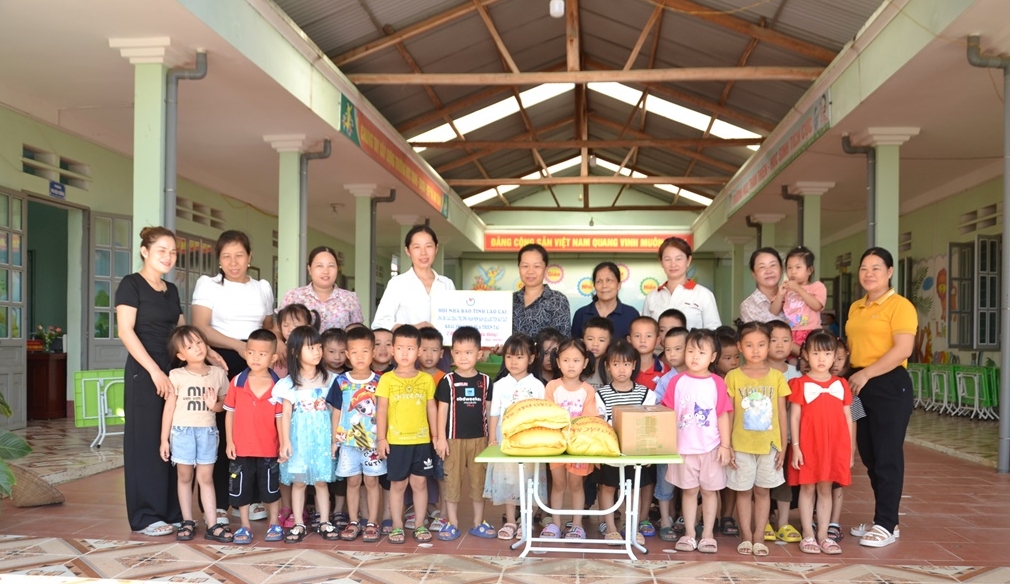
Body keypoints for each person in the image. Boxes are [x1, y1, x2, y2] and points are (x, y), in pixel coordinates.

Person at [116, 226, 222, 536]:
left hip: (175, 371)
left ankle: (175, 512)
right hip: (144, 370)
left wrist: (207, 350)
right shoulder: (131, 285)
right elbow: (126, 331)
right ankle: (146, 516)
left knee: (176, 440)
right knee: (146, 442)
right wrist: (154, 371)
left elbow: (182, 331)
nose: (168, 256)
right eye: (162, 250)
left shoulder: (171, 290)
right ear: (145, 251)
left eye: (173, 252)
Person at [845, 247, 916, 548]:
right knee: (870, 454)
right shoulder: (855, 307)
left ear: (889, 272)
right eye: (864, 268)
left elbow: (903, 350)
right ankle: (884, 520)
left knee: (887, 455)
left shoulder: (900, 306)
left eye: (876, 268)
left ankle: (886, 523)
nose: (869, 273)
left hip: (889, 386)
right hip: (860, 391)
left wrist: (866, 374)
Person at [661, 329, 732, 554]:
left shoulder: (717, 383)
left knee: (710, 492)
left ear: (712, 357)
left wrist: (725, 446)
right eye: (690, 350)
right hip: (683, 449)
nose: (694, 356)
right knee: (689, 492)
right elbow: (668, 413)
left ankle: (708, 534)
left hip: (711, 448)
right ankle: (690, 533)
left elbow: (723, 415)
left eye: (701, 352)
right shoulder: (677, 381)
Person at [159, 326, 232, 543]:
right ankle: (187, 520)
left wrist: (214, 405)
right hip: (181, 432)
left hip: (207, 433)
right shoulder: (176, 375)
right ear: (181, 355)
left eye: (199, 342)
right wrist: (164, 438)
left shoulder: (218, 373)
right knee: (184, 477)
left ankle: (212, 523)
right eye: (189, 347)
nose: (197, 348)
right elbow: (169, 408)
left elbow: (225, 404)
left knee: (206, 478)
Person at [724, 322, 790, 557]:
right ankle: (746, 536)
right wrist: (728, 445)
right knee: (743, 491)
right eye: (749, 345)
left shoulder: (777, 377)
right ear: (740, 347)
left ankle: (759, 536)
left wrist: (782, 445)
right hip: (740, 445)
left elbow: (782, 413)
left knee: (763, 492)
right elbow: (728, 412)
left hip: (769, 446)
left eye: (761, 344)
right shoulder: (732, 377)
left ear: (769, 345)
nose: (756, 350)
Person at [788, 331, 853, 555]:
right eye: (816, 353)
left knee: (826, 488)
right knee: (807, 488)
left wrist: (851, 450)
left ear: (835, 356)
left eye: (827, 353)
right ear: (805, 354)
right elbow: (794, 417)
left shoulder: (842, 384)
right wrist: (795, 447)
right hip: (808, 445)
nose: (822, 358)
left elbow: (848, 418)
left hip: (834, 445)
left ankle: (824, 535)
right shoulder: (799, 383)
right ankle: (808, 534)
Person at [275, 325, 339, 543]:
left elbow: (334, 412)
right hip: (298, 440)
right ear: (295, 352)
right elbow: (284, 415)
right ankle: (299, 523)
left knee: (322, 482)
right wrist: (285, 442)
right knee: (299, 482)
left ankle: (324, 521)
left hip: (322, 439)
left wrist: (333, 441)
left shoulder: (330, 380)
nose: (317, 352)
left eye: (319, 347)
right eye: (311, 348)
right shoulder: (288, 384)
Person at [375, 325, 438, 545]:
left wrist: (436, 437)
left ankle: (420, 524)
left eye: (410, 348)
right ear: (393, 349)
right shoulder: (386, 380)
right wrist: (381, 439)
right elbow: (381, 410)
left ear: (419, 351)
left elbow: (432, 409)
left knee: (420, 484)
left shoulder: (426, 380)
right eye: (400, 347)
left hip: (421, 442)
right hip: (396, 443)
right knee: (398, 485)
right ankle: (396, 526)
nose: (404, 353)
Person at [223, 329, 285, 545]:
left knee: (270, 489)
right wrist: (230, 441)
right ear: (245, 353)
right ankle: (245, 526)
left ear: (273, 358)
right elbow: (229, 414)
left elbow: (280, 418)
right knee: (241, 489)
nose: (256, 357)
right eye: (251, 352)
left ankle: (274, 522)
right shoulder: (237, 382)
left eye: (262, 353)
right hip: (241, 448)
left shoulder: (279, 386)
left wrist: (283, 444)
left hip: (269, 448)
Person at [433, 326, 495, 541]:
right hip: (453, 440)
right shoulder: (447, 381)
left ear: (479, 354)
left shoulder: (486, 381)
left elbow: (489, 411)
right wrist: (441, 439)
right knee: (452, 483)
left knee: (479, 482)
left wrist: (492, 440)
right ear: (451, 355)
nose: (463, 357)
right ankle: (452, 523)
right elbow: (442, 410)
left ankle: (479, 522)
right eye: (458, 352)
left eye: (468, 352)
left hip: (480, 441)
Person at [485, 334, 546, 541]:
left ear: (531, 358)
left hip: (530, 441)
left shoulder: (537, 385)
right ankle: (511, 520)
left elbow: (541, 414)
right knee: (509, 481)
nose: (513, 361)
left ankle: (526, 521)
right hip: (506, 440)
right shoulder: (500, 384)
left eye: (519, 357)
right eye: (509, 356)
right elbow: (494, 413)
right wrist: (492, 439)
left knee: (529, 480)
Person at [596, 340, 657, 545]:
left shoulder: (647, 394)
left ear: (634, 365)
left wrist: (648, 453)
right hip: (610, 453)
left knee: (633, 489)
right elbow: (599, 427)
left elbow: (650, 425)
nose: (621, 369)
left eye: (626, 364)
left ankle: (630, 526)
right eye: (615, 364)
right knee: (607, 488)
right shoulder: (601, 395)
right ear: (607, 366)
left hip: (635, 452)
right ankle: (611, 528)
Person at [328, 327, 384, 543]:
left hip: (372, 443)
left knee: (371, 483)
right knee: (352, 482)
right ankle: (353, 521)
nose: (360, 357)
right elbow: (337, 412)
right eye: (354, 352)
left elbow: (384, 412)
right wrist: (335, 440)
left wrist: (382, 440)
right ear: (347, 355)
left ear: (372, 353)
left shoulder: (380, 381)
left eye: (365, 351)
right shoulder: (341, 381)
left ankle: (371, 522)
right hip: (349, 443)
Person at [542, 339, 599, 540]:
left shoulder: (588, 390)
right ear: (558, 362)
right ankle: (555, 524)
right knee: (558, 484)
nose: (571, 364)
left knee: (576, 485)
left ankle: (577, 525)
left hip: (578, 448)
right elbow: (548, 415)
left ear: (584, 363)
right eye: (566, 360)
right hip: (557, 445)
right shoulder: (552, 386)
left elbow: (589, 420)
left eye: (576, 360)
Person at [372, 225, 455, 330]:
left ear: (436, 248)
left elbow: (452, 320)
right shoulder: (397, 283)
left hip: (439, 346)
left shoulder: (447, 284)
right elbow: (379, 322)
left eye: (428, 246)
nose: (423, 253)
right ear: (407, 251)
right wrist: (413, 328)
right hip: (409, 345)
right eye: (417, 247)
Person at [765, 320, 802, 545]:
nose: (780, 345)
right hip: (762, 439)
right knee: (762, 482)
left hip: (789, 438)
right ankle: (765, 520)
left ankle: (784, 523)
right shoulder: (758, 372)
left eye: (786, 340)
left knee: (784, 481)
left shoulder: (797, 372)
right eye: (773, 340)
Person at [642, 237, 720, 330]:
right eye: (667, 259)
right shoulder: (652, 297)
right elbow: (646, 331)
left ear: (688, 260)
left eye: (678, 259)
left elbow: (714, 331)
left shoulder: (704, 295)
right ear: (661, 262)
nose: (673, 264)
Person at [279, 246, 363, 332]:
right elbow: (279, 330)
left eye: (331, 266)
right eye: (319, 266)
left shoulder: (350, 298)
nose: (325, 271)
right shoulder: (293, 296)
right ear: (309, 269)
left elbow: (358, 334)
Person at [771, 247, 826, 355]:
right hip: (790, 333)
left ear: (809, 270)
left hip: (811, 332)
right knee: (793, 363)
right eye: (789, 267)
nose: (793, 271)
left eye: (798, 267)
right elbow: (774, 311)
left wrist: (798, 289)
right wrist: (780, 294)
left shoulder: (817, 287)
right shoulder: (785, 289)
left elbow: (817, 306)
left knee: (811, 359)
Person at [513, 243, 571, 337]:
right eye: (525, 266)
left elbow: (564, 341)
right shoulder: (509, 300)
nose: (530, 271)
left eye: (537, 266)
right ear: (519, 268)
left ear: (545, 269)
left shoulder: (558, 301)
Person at [571, 261, 640, 339]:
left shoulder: (631, 314)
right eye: (599, 281)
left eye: (609, 280)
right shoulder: (581, 314)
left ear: (619, 285)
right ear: (594, 285)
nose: (604, 285)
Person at [740, 248, 787, 324]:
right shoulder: (748, 305)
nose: (769, 271)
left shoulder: (792, 296)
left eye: (773, 265)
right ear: (753, 273)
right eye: (762, 267)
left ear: (781, 268)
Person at [629, 316, 665, 391]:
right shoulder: (624, 367)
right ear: (629, 339)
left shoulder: (664, 370)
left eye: (648, 336)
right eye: (637, 336)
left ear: (657, 340)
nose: (642, 340)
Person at [582, 316, 613, 390]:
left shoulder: (612, 367)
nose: (595, 344)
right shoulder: (575, 364)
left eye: (601, 340)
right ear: (582, 340)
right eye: (590, 339)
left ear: (609, 343)